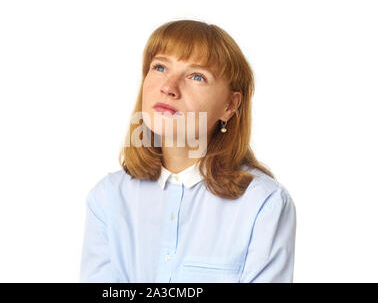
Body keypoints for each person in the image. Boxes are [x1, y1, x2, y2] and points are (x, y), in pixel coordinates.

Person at [79, 19, 297, 283]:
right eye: (159, 67)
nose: (169, 87)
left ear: (230, 105)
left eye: (197, 76)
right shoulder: (108, 198)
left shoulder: (264, 204)